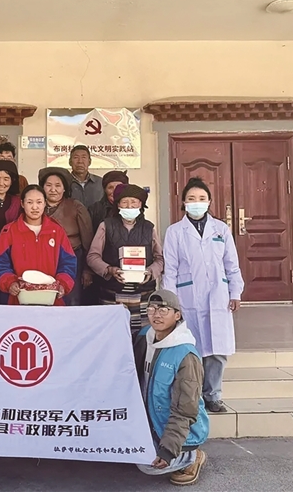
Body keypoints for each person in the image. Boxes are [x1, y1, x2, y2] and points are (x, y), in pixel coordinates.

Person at [163, 177, 244, 414]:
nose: (196, 203)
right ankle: (193, 396)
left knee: (217, 350)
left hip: (218, 296)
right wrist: (170, 301)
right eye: (191, 199)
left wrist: (235, 291)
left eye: (201, 198)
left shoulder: (221, 229)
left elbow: (232, 264)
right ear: (183, 203)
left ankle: (213, 395)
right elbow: (170, 269)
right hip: (187, 297)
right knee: (191, 350)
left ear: (209, 202)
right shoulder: (175, 232)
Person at [133, 290, 209, 486]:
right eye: (152, 309)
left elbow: (186, 409)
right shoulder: (144, 337)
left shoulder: (185, 355)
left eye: (163, 310)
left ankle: (192, 456)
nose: (156, 315)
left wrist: (168, 450)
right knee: (126, 452)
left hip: (179, 428)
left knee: (147, 465)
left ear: (177, 315)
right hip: (151, 422)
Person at [87, 183, 164, 334]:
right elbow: (92, 256)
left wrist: (150, 272)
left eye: (134, 202)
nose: (129, 206)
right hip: (112, 294)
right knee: (113, 336)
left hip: (143, 295)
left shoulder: (149, 228)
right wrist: (109, 269)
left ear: (141, 204)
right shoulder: (106, 225)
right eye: (124, 202)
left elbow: (160, 259)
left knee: (142, 338)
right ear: (118, 205)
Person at [0, 185, 77, 306]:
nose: (34, 207)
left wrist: (63, 284)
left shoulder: (57, 231)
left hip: (51, 299)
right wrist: (9, 282)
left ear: (45, 203)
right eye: (29, 202)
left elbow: (68, 262)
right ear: (22, 204)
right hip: (18, 299)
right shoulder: (9, 231)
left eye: (39, 202)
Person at [38, 167, 93, 306]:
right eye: (48, 185)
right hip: (42, 261)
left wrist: (87, 270)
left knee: (70, 300)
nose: (53, 190)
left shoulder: (75, 207)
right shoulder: (36, 207)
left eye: (58, 185)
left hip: (71, 261)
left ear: (64, 188)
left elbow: (88, 241)